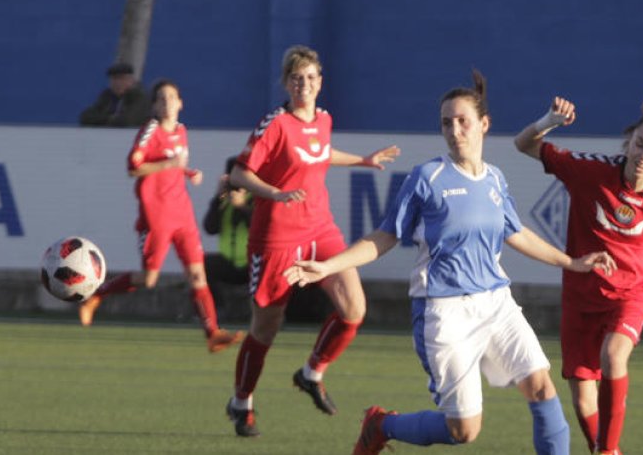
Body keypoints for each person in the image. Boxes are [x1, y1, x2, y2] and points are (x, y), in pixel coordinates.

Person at [285, 71, 614, 455]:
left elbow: (517, 233)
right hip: (444, 311)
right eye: (446, 122)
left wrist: (571, 262)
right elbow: (385, 236)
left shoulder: (495, 179)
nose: (454, 130)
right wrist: (329, 266)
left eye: (463, 121)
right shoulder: (428, 177)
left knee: (542, 387)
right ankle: (381, 425)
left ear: (484, 124)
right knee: (463, 430)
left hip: (496, 302)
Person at [513, 95, 643, 455]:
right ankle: (604, 450)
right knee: (583, 399)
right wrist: (548, 121)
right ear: (629, 142)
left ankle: (607, 451)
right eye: (640, 144)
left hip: (633, 292)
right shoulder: (589, 170)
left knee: (613, 355)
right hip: (581, 295)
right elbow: (523, 144)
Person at [224, 44, 401, 438]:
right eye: (296, 78)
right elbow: (239, 174)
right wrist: (276, 193)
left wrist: (363, 160)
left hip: (320, 229)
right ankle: (241, 402)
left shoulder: (323, 119)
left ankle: (311, 373)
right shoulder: (275, 124)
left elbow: (319, 152)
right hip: (276, 236)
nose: (303, 84)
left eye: (309, 77)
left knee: (354, 308)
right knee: (266, 326)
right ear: (286, 83)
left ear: (320, 82)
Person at [78, 79, 245, 354]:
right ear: (154, 105)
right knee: (149, 279)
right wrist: (169, 164)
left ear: (181, 103)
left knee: (197, 275)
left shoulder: (181, 131)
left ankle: (212, 333)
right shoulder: (150, 130)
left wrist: (188, 172)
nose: (167, 103)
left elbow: (173, 164)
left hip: (183, 214)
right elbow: (133, 166)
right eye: (161, 99)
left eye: (172, 98)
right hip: (157, 214)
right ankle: (96, 295)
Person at [202, 156, 251, 298]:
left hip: (251, 263)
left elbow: (261, 227)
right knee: (200, 263)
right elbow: (210, 228)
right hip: (228, 261)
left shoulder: (257, 198)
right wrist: (218, 198)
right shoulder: (224, 201)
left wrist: (242, 207)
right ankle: (216, 306)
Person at [78, 61, 150, 127]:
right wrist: (109, 118)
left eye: (121, 79)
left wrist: (103, 120)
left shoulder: (139, 97)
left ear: (131, 80)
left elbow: (127, 121)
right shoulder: (107, 96)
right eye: (114, 79)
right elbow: (85, 117)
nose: (118, 83)